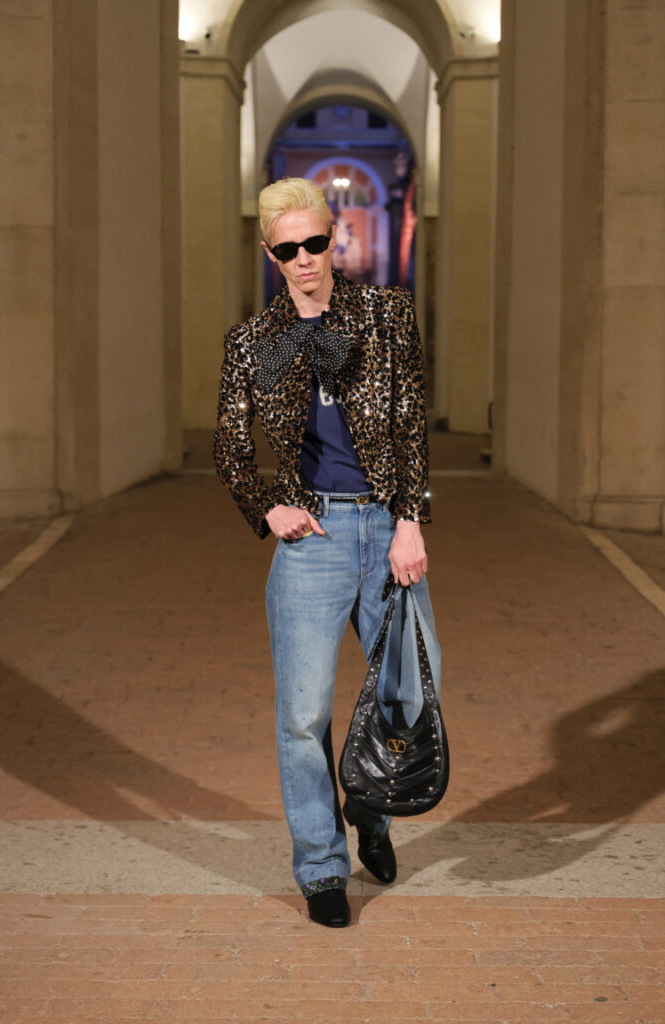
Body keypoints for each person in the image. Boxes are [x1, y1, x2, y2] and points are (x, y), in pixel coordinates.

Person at [214, 177, 440, 928]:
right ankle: (320, 867)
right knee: (302, 715)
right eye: (289, 249)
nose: (305, 258)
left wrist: (410, 520)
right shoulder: (255, 341)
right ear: (269, 253)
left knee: (410, 697)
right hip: (312, 541)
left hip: (385, 527)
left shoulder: (384, 314)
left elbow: (409, 423)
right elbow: (229, 445)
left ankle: (369, 808)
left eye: (315, 242)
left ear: (334, 236)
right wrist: (267, 507)